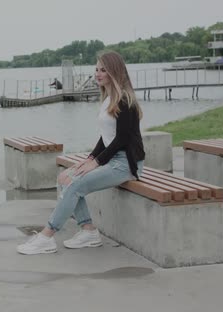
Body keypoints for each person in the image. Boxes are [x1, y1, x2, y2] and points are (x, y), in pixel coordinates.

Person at [17, 51, 145, 255]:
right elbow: (106, 137)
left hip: (126, 165)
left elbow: (122, 139)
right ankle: (88, 231)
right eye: (96, 69)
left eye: (103, 70)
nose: (98, 73)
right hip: (112, 160)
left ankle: (47, 236)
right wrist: (91, 158)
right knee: (65, 178)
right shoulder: (108, 99)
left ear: (115, 72)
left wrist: (96, 163)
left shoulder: (125, 101)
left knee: (75, 184)